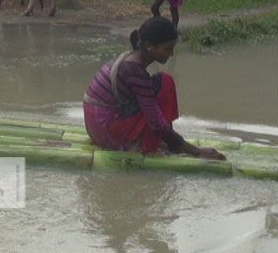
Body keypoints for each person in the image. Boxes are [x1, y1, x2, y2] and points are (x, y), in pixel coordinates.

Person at [83, 16, 224, 160]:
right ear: (150, 46)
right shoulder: (134, 71)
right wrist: (196, 152)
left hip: (96, 126)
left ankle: (168, 141)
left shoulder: (131, 59)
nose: (171, 54)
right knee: (165, 84)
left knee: (160, 84)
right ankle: (164, 144)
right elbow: (156, 123)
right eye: (167, 49)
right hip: (106, 130)